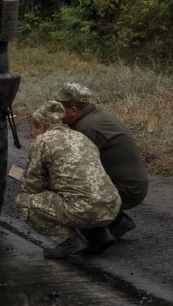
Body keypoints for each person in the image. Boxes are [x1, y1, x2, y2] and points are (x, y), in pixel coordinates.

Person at [14, 101, 121, 258]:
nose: (30, 134)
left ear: (42, 127)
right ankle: (99, 236)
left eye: (32, 129)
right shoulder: (80, 137)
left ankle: (68, 241)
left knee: (23, 202)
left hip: (84, 210)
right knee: (78, 193)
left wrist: (28, 182)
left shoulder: (42, 141)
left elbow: (33, 187)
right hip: (112, 206)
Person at [56, 82, 149, 247]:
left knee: (63, 187)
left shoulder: (87, 129)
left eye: (60, 107)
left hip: (125, 190)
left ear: (73, 110)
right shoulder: (95, 117)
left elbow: (72, 171)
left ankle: (89, 238)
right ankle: (116, 223)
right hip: (131, 186)